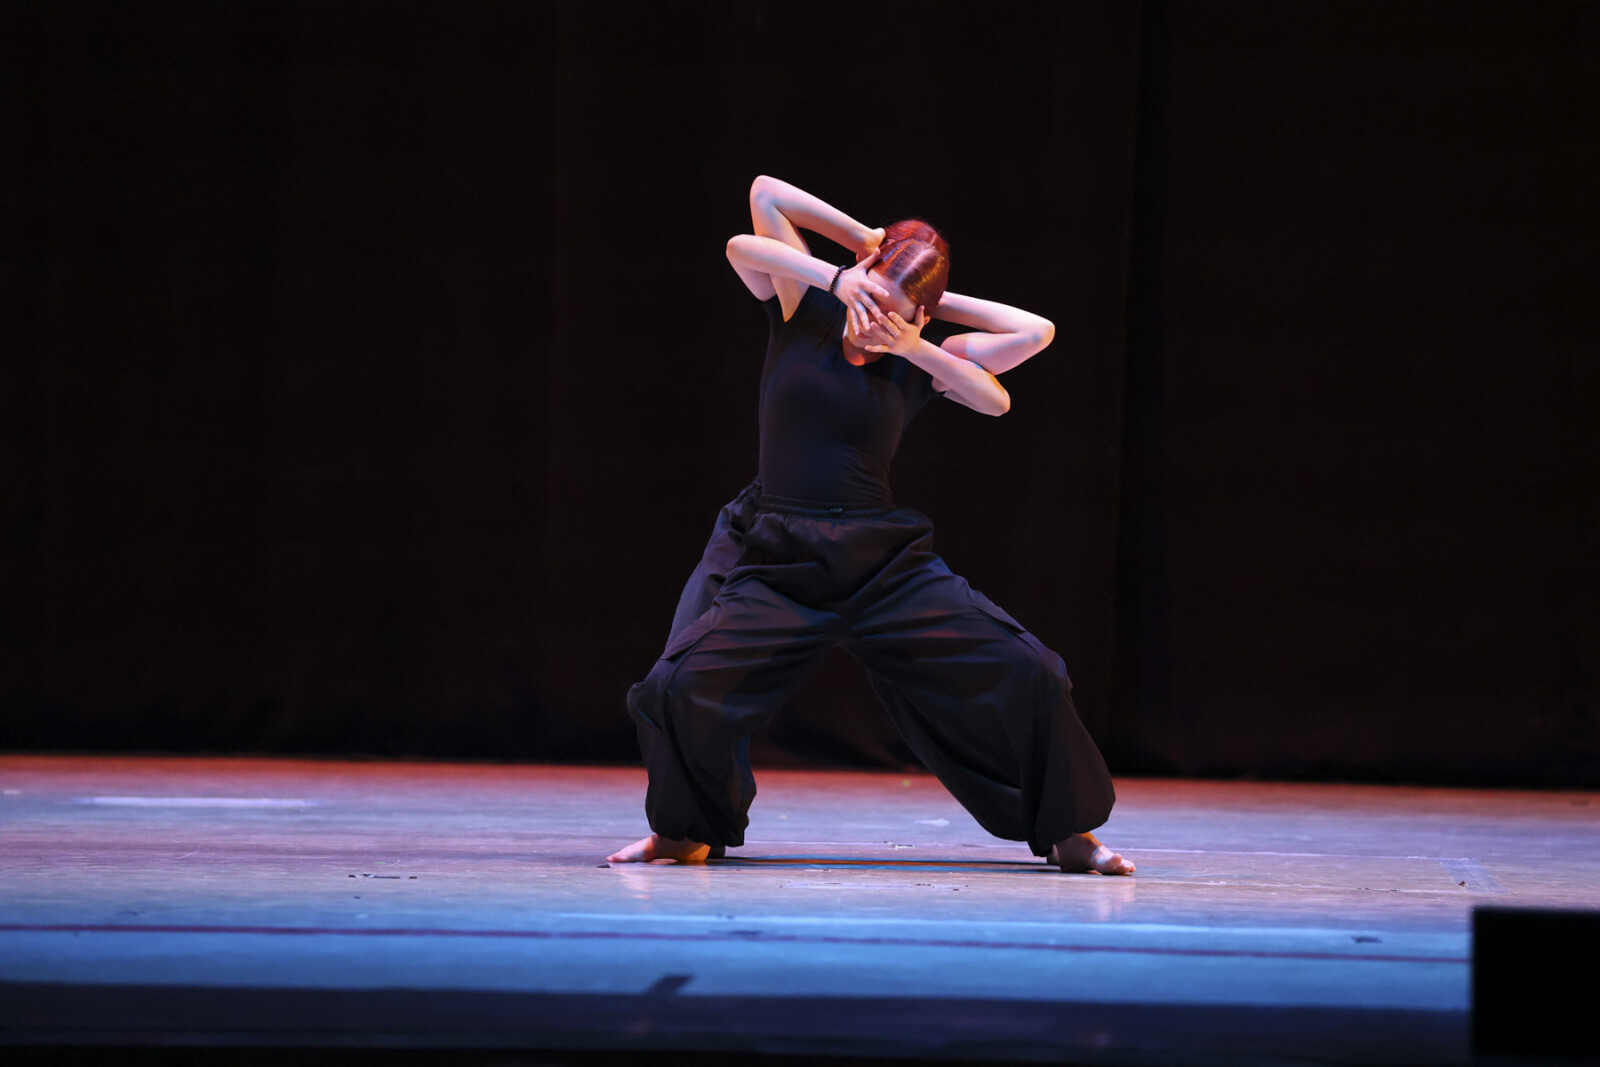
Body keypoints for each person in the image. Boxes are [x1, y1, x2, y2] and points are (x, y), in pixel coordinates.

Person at [609, 176, 1133, 875]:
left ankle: (1070, 833)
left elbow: (1029, 343)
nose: (869, 315)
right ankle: (684, 834)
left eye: (891, 308)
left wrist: (918, 332)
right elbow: (758, 211)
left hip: (879, 563)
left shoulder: (924, 360)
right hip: (778, 555)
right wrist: (857, 255)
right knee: (673, 688)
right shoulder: (804, 306)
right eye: (868, 296)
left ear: (918, 314)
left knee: (1033, 671)